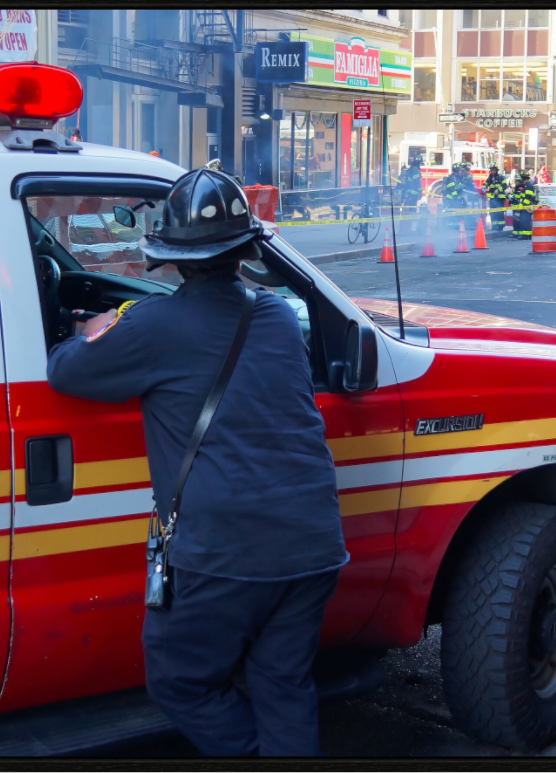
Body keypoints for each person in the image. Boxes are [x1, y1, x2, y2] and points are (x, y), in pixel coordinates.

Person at [46, 168, 347, 756]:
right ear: (244, 252)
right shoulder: (278, 315)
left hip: (224, 554)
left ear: (174, 261)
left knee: (180, 681)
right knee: (282, 683)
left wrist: (99, 327)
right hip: (313, 544)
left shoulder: (150, 325)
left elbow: (65, 369)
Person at [508, 172, 536, 239]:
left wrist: (521, 207)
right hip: (523, 207)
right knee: (521, 221)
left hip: (526, 208)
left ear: (523, 178)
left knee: (525, 221)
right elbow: (521, 197)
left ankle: (525, 235)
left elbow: (527, 199)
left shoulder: (528, 186)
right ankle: (521, 235)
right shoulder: (525, 186)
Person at [483, 164, 508, 231]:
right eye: (491, 169)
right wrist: (483, 188)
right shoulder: (490, 178)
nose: (492, 171)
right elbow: (485, 184)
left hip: (499, 198)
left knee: (499, 213)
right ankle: (494, 226)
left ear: (496, 170)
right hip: (492, 199)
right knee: (492, 213)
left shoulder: (500, 177)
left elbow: (505, 186)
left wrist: (498, 190)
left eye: (493, 169)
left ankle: (500, 227)